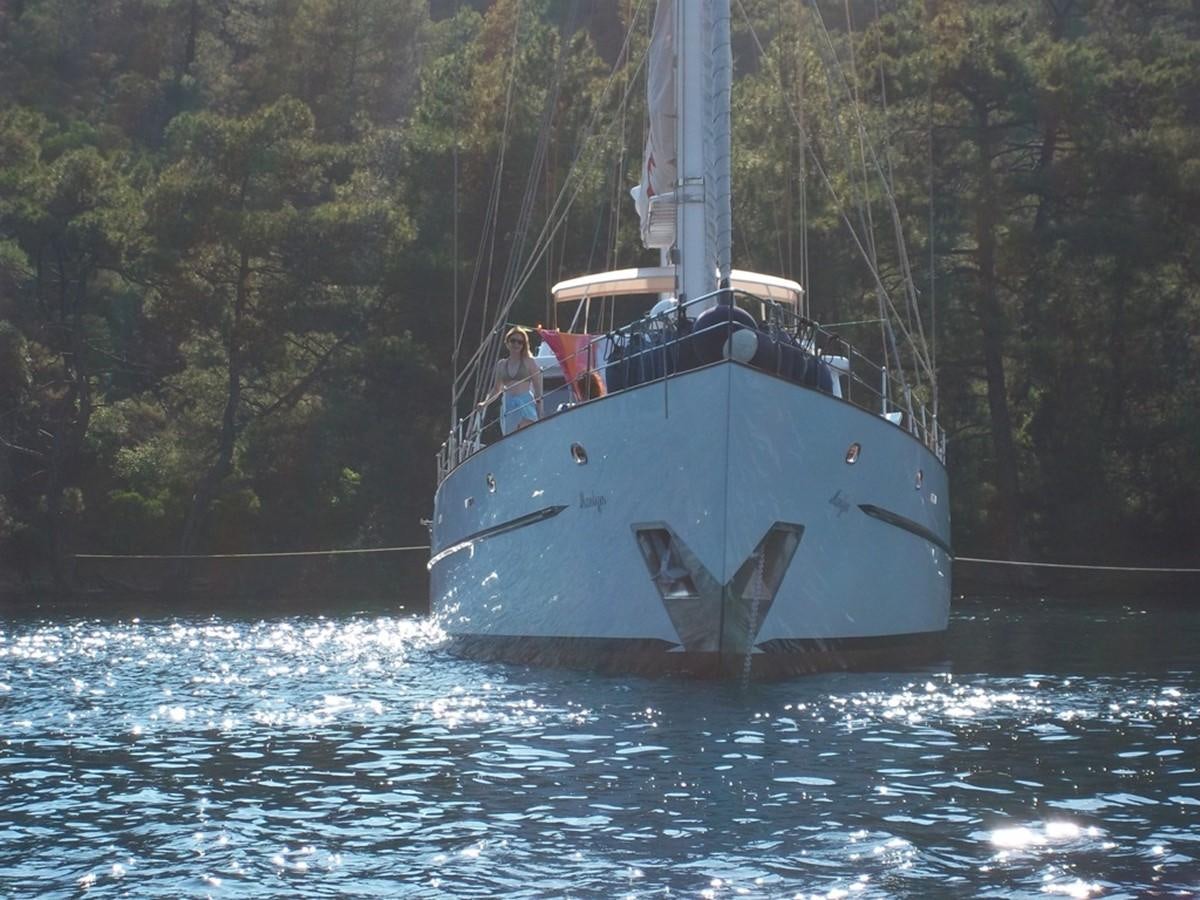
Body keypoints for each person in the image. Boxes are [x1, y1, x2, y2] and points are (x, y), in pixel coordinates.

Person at [480, 326, 543, 435]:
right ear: (507, 342)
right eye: (513, 341)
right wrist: (485, 403)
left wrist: (540, 412)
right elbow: (496, 389)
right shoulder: (501, 364)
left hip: (525, 404)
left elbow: (538, 388)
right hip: (508, 405)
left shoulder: (529, 362)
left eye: (520, 342)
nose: (516, 344)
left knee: (526, 434)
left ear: (524, 345)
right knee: (511, 439)